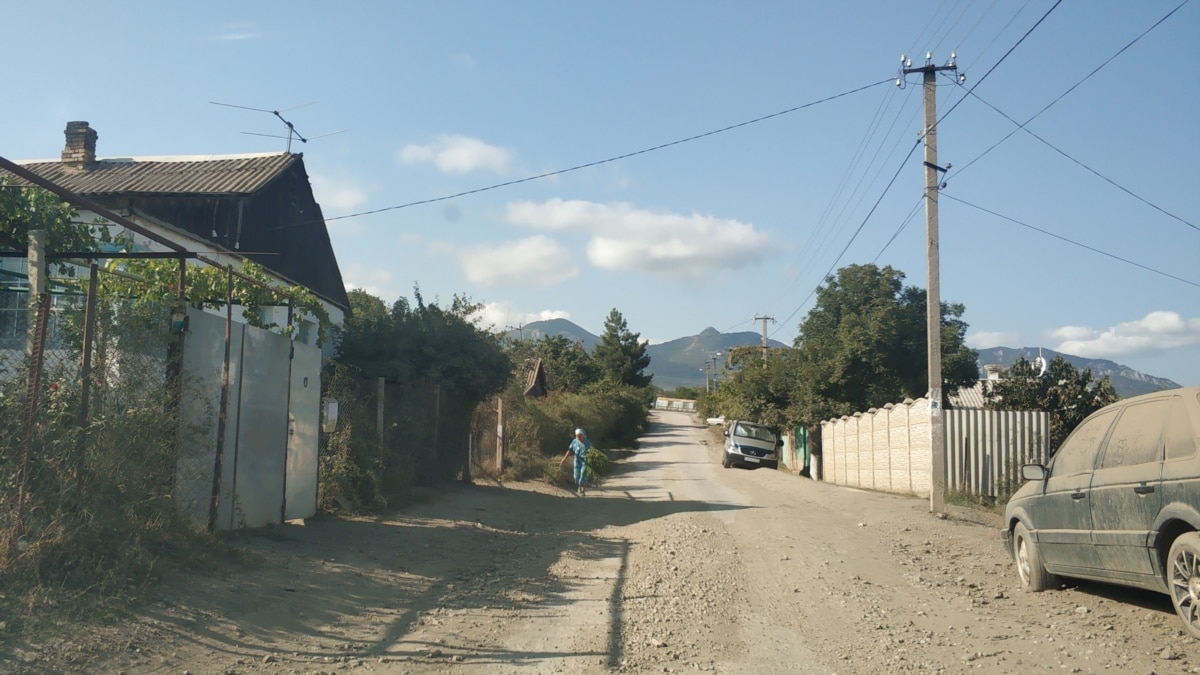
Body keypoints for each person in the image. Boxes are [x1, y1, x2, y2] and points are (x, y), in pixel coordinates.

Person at [560, 428, 592, 496]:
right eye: (577, 436)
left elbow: (592, 452)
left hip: (585, 461)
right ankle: (579, 486)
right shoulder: (574, 442)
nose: (578, 437)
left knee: (583, 474)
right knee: (576, 476)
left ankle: (583, 491)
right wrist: (564, 459)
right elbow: (569, 451)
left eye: (580, 436)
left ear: (583, 435)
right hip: (577, 460)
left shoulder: (588, 443)